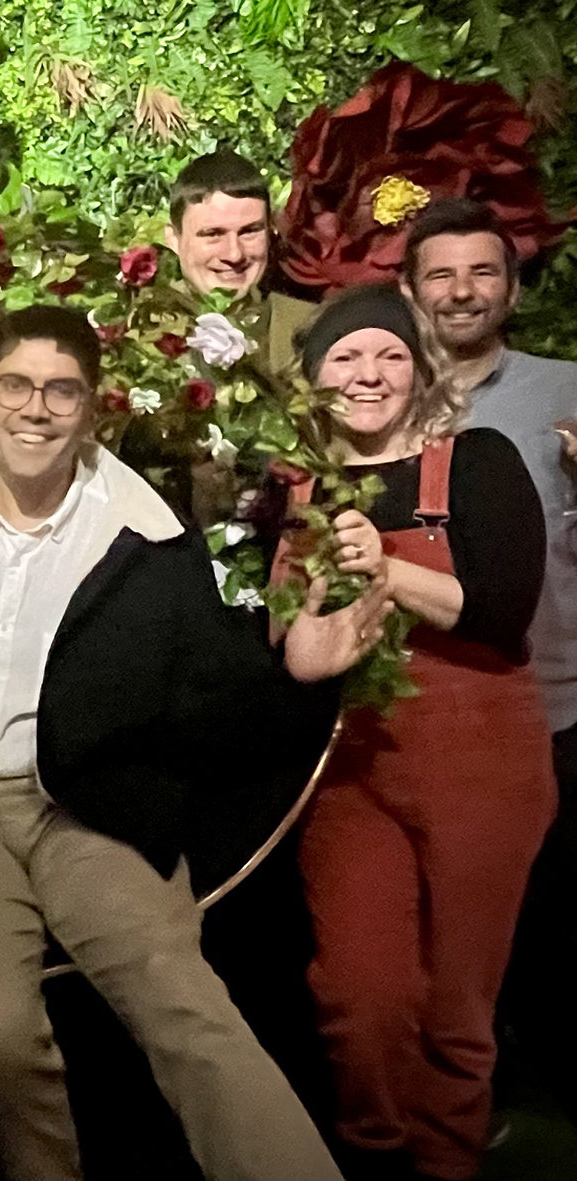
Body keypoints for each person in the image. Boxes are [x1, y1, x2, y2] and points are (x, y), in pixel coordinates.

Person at [0, 305, 383, 1180]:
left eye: (60, 391)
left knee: (184, 1004)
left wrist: (303, 675)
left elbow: (213, 703)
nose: (35, 408)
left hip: (89, 803)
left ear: (91, 409)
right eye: (16, 385)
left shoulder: (144, 537)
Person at [286, 285, 554, 1180]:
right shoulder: (288, 489)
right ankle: (374, 1150)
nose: (367, 374)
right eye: (345, 358)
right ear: (314, 378)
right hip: (348, 765)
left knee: (455, 1001)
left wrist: (388, 569)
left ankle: (444, 1162)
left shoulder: (474, 460)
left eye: (389, 355)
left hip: (480, 756)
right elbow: (271, 624)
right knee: (357, 995)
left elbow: (502, 610)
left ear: (418, 366)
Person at [399, 208, 577, 1095]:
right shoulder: (376, 387)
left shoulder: (565, 390)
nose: (460, 291)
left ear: (509, 287)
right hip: (413, 710)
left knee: (531, 920)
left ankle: (511, 1080)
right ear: (409, 289)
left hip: (553, 698)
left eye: (480, 273)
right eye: (440, 274)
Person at [165, 149, 312, 371]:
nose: (234, 254)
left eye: (249, 231)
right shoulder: (133, 336)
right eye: (213, 234)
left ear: (271, 229)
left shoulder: (313, 329)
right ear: (174, 240)